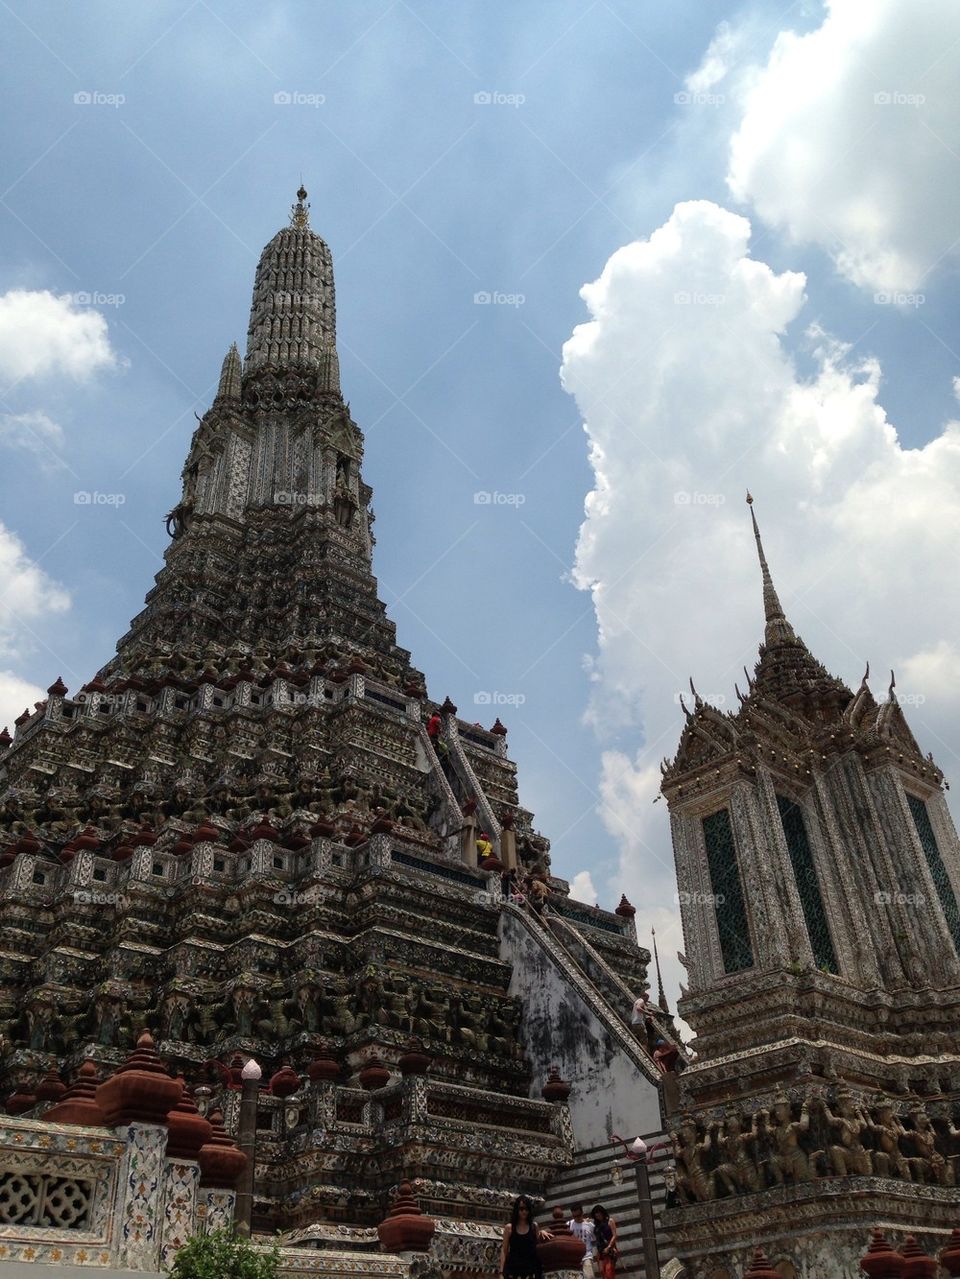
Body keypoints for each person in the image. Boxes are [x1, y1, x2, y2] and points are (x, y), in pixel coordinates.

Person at [499, 1195, 551, 1278]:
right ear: (517, 1210)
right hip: (514, 1271)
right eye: (521, 1209)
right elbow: (504, 1251)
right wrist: (501, 1273)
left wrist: (541, 1232)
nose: (524, 1212)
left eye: (526, 1209)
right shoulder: (509, 1228)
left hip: (532, 1271)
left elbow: (538, 1246)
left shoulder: (534, 1227)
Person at [567, 1203, 596, 1278]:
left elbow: (595, 1238)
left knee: (589, 1276)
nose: (576, 1218)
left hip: (586, 1255)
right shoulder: (569, 1224)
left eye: (578, 1215)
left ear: (582, 1213)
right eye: (574, 1216)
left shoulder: (589, 1225)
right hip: (574, 1258)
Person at [591, 1204, 618, 1279]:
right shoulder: (596, 1225)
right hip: (600, 1251)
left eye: (598, 1212)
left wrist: (609, 1247)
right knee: (602, 1271)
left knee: (609, 1271)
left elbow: (615, 1235)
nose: (597, 1215)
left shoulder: (610, 1221)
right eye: (596, 1213)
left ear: (602, 1212)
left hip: (610, 1249)